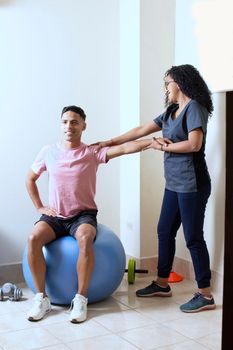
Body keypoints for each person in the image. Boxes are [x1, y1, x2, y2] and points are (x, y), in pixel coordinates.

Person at [95, 64, 216, 313]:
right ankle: (162, 283)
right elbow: (141, 130)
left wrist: (160, 147)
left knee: (193, 237)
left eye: (167, 83)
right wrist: (110, 141)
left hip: (192, 185)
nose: (165, 88)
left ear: (179, 83)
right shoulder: (171, 110)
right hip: (174, 184)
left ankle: (204, 294)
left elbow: (194, 144)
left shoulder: (195, 107)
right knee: (164, 230)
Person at [26, 105, 151, 323]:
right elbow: (30, 179)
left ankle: (81, 299)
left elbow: (124, 149)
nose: (69, 126)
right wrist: (40, 207)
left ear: (84, 126)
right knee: (33, 238)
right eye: (65, 122)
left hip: (83, 215)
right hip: (55, 216)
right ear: (60, 125)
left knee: (84, 238)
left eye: (74, 122)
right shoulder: (48, 152)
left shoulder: (91, 152)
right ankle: (41, 298)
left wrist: (151, 143)